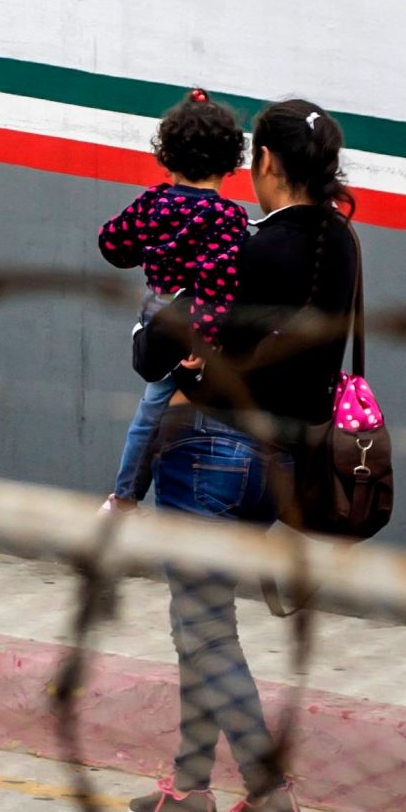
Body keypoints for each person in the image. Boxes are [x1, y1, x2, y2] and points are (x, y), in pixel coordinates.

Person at [124, 98, 356, 812]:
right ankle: (189, 788)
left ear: (265, 165)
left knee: (201, 623)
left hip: (211, 453)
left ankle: (267, 790)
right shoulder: (343, 244)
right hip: (281, 469)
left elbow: (160, 351)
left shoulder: (249, 250)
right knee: (206, 617)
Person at [95, 90, 248, 509]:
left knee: (151, 408)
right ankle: (126, 496)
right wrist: (203, 342)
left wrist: (143, 248)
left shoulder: (152, 202)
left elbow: (111, 242)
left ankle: (125, 496)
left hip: (153, 312)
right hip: (188, 324)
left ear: (168, 155)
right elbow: (218, 284)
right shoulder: (227, 217)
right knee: (154, 413)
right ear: (230, 161)